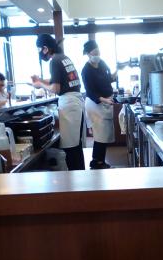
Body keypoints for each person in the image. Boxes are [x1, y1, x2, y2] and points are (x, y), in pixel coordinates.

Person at [31, 34, 85, 171]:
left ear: (45, 48)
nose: (40, 53)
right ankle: (81, 175)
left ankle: (75, 178)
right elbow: (57, 80)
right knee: (76, 144)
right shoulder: (63, 58)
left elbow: (55, 88)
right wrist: (40, 80)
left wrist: (40, 85)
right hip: (76, 101)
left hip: (69, 103)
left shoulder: (54, 61)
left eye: (39, 49)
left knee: (70, 146)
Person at [81, 40, 117, 169]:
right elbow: (90, 92)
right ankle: (97, 161)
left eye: (98, 52)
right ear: (88, 54)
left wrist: (117, 71)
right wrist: (104, 100)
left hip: (105, 102)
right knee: (100, 135)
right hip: (95, 104)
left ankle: (98, 160)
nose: (97, 55)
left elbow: (108, 79)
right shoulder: (86, 70)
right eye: (94, 53)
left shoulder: (102, 63)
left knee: (104, 134)